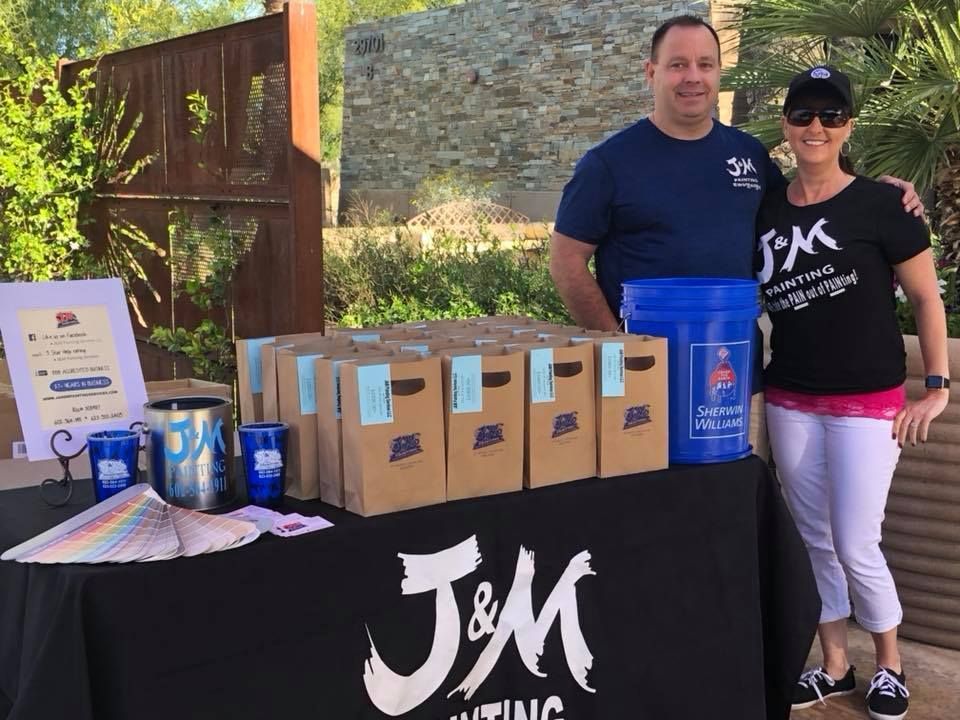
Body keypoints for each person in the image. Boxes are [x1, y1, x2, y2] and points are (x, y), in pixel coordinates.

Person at [549, 14, 922, 459]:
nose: (693, 77)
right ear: (651, 72)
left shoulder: (746, 154)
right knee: (651, 510)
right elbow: (566, 261)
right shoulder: (608, 164)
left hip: (736, 378)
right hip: (646, 379)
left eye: (705, 65)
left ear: (718, 74)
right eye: (677, 65)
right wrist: (619, 347)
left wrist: (882, 198)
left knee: (733, 505)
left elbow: (808, 207)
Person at [757, 65, 949, 720]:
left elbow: (926, 298)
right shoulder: (767, 206)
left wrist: (938, 386)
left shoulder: (881, 205)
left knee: (854, 538)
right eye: (804, 114)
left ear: (849, 127)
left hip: (868, 402)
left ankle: (889, 664)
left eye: (831, 115)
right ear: (786, 125)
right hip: (789, 396)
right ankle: (835, 664)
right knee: (813, 536)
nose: (816, 126)